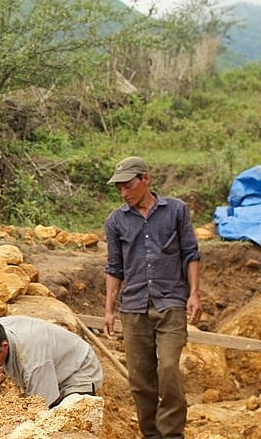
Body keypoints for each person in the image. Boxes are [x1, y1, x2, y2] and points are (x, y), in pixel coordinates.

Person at [104, 156, 202, 439]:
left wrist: (194, 294)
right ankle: (150, 435)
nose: (124, 193)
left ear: (145, 179)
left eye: (128, 186)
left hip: (171, 302)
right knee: (140, 380)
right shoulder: (116, 221)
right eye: (119, 189)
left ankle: (171, 435)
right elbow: (114, 267)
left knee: (169, 369)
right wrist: (109, 310)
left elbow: (191, 253)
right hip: (133, 307)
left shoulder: (175, 211)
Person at [0, 316, 103, 408]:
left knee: (63, 422)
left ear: (4, 347)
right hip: (54, 358)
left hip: (79, 370)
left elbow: (41, 405)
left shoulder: (34, 363)